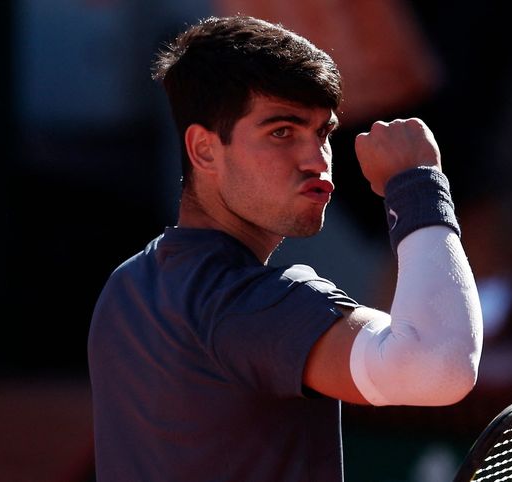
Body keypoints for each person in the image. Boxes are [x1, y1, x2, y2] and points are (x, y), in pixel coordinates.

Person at [88, 15, 483, 482]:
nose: (316, 161)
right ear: (204, 150)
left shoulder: (127, 285)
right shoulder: (256, 303)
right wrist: (418, 186)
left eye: (323, 134)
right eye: (281, 132)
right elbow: (437, 365)